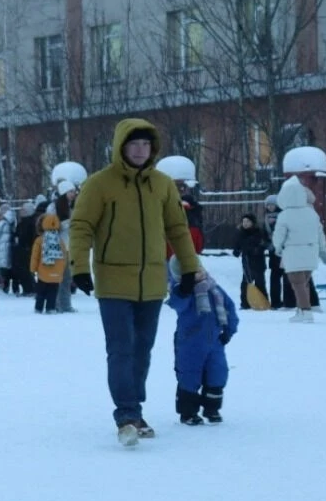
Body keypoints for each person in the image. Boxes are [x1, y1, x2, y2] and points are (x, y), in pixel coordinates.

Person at [68, 119, 202, 448]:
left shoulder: (162, 184)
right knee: (121, 349)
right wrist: (79, 267)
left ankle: (135, 409)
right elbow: (82, 225)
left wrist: (189, 269)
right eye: (134, 144)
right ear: (121, 147)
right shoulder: (100, 184)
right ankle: (126, 414)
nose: (140, 150)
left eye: (145, 145)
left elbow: (177, 229)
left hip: (153, 281)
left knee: (142, 350)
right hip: (114, 279)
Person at [165, 257, 238, 425]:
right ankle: (188, 412)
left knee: (218, 374)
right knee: (190, 376)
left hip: (215, 341)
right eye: (193, 272)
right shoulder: (183, 293)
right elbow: (177, 304)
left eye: (200, 268)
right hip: (190, 343)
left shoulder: (214, 289)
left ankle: (212, 408)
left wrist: (229, 330)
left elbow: (229, 308)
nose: (199, 273)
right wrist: (184, 289)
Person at [271, 171, 326, 323]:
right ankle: (301, 309)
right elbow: (320, 233)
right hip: (310, 252)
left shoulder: (285, 215)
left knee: (297, 284)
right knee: (303, 283)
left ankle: (305, 311)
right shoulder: (311, 213)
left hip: (293, 252)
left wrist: (277, 247)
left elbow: (279, 234)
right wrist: (323, 250)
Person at [51, 180, 80, 313]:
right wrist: (70, 222)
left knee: (67, 278)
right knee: (58, 277)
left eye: (74, 191)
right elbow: (51, 227)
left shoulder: (72, 207)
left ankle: (66, 304)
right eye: (71, 191)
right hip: (58, 246)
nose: (74, 194)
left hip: (69, 246)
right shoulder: (53, 208)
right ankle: (56, 304)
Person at [30, 212, 67, 313]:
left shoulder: (40, 240)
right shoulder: (60, 241)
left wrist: (33, 269)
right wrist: (61, 270)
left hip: (43, 271)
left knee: (41, 291)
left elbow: (35, 256)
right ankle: (51, 308)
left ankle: (38, 308)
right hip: (57, 273)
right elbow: (64, 257)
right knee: (53, 292)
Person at [232, 213, 270, 309]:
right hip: (247, 262)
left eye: (248, 221)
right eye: (244, 221)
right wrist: (236, 251)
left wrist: (257, 249)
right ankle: (245, 303)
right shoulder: (240, 233)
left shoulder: (259, 232)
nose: (245, 223)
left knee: (260, 283)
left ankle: (263, 302)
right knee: (245, 283)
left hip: (258, 262)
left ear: (252, 223)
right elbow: (237, 245)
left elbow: (264, 244)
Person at [12, 201, 38, 298]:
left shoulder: (30, 223)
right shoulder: (23, 222)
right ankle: (28, 289)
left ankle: (30, 289)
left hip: (26, 250)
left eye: (23, 209)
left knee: (26, 271)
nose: (21, 211)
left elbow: (30, 237)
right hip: (22, 250)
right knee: (23, 271)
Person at [0, 204, 16, 294]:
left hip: (2, 247)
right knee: (7, 268)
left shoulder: (3, 221)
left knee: (2, 269)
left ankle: (4, 287)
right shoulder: (11, 220)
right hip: (7, 247)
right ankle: (9, 286)